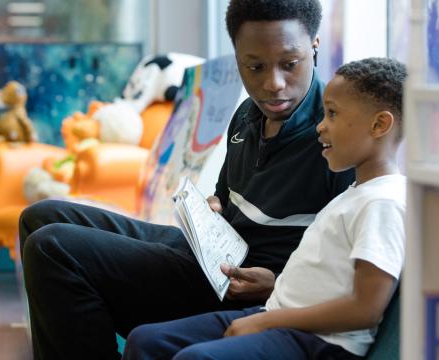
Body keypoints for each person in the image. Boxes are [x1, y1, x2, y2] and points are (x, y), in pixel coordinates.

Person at [18, 0, 354, 358]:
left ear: (314, 45)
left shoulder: (336, 136)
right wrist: (212, 205)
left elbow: (348, 265)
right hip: (209, 256)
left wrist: (277, 283)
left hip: (244, 289)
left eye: (290, 64)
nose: (273, 84)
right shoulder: (246, 116)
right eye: (254, 66)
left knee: (51, 247)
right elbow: (226, 196)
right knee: (41, 216)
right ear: (237, 56)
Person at [123, 57, 408, 360]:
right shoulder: (357, 193)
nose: (321, 127)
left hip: (320, 344)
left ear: (379, 124)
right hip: (278, 317)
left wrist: (265, 321)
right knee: (148, 341)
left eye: (333, 114)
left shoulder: (383, 203)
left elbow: (365, 309)